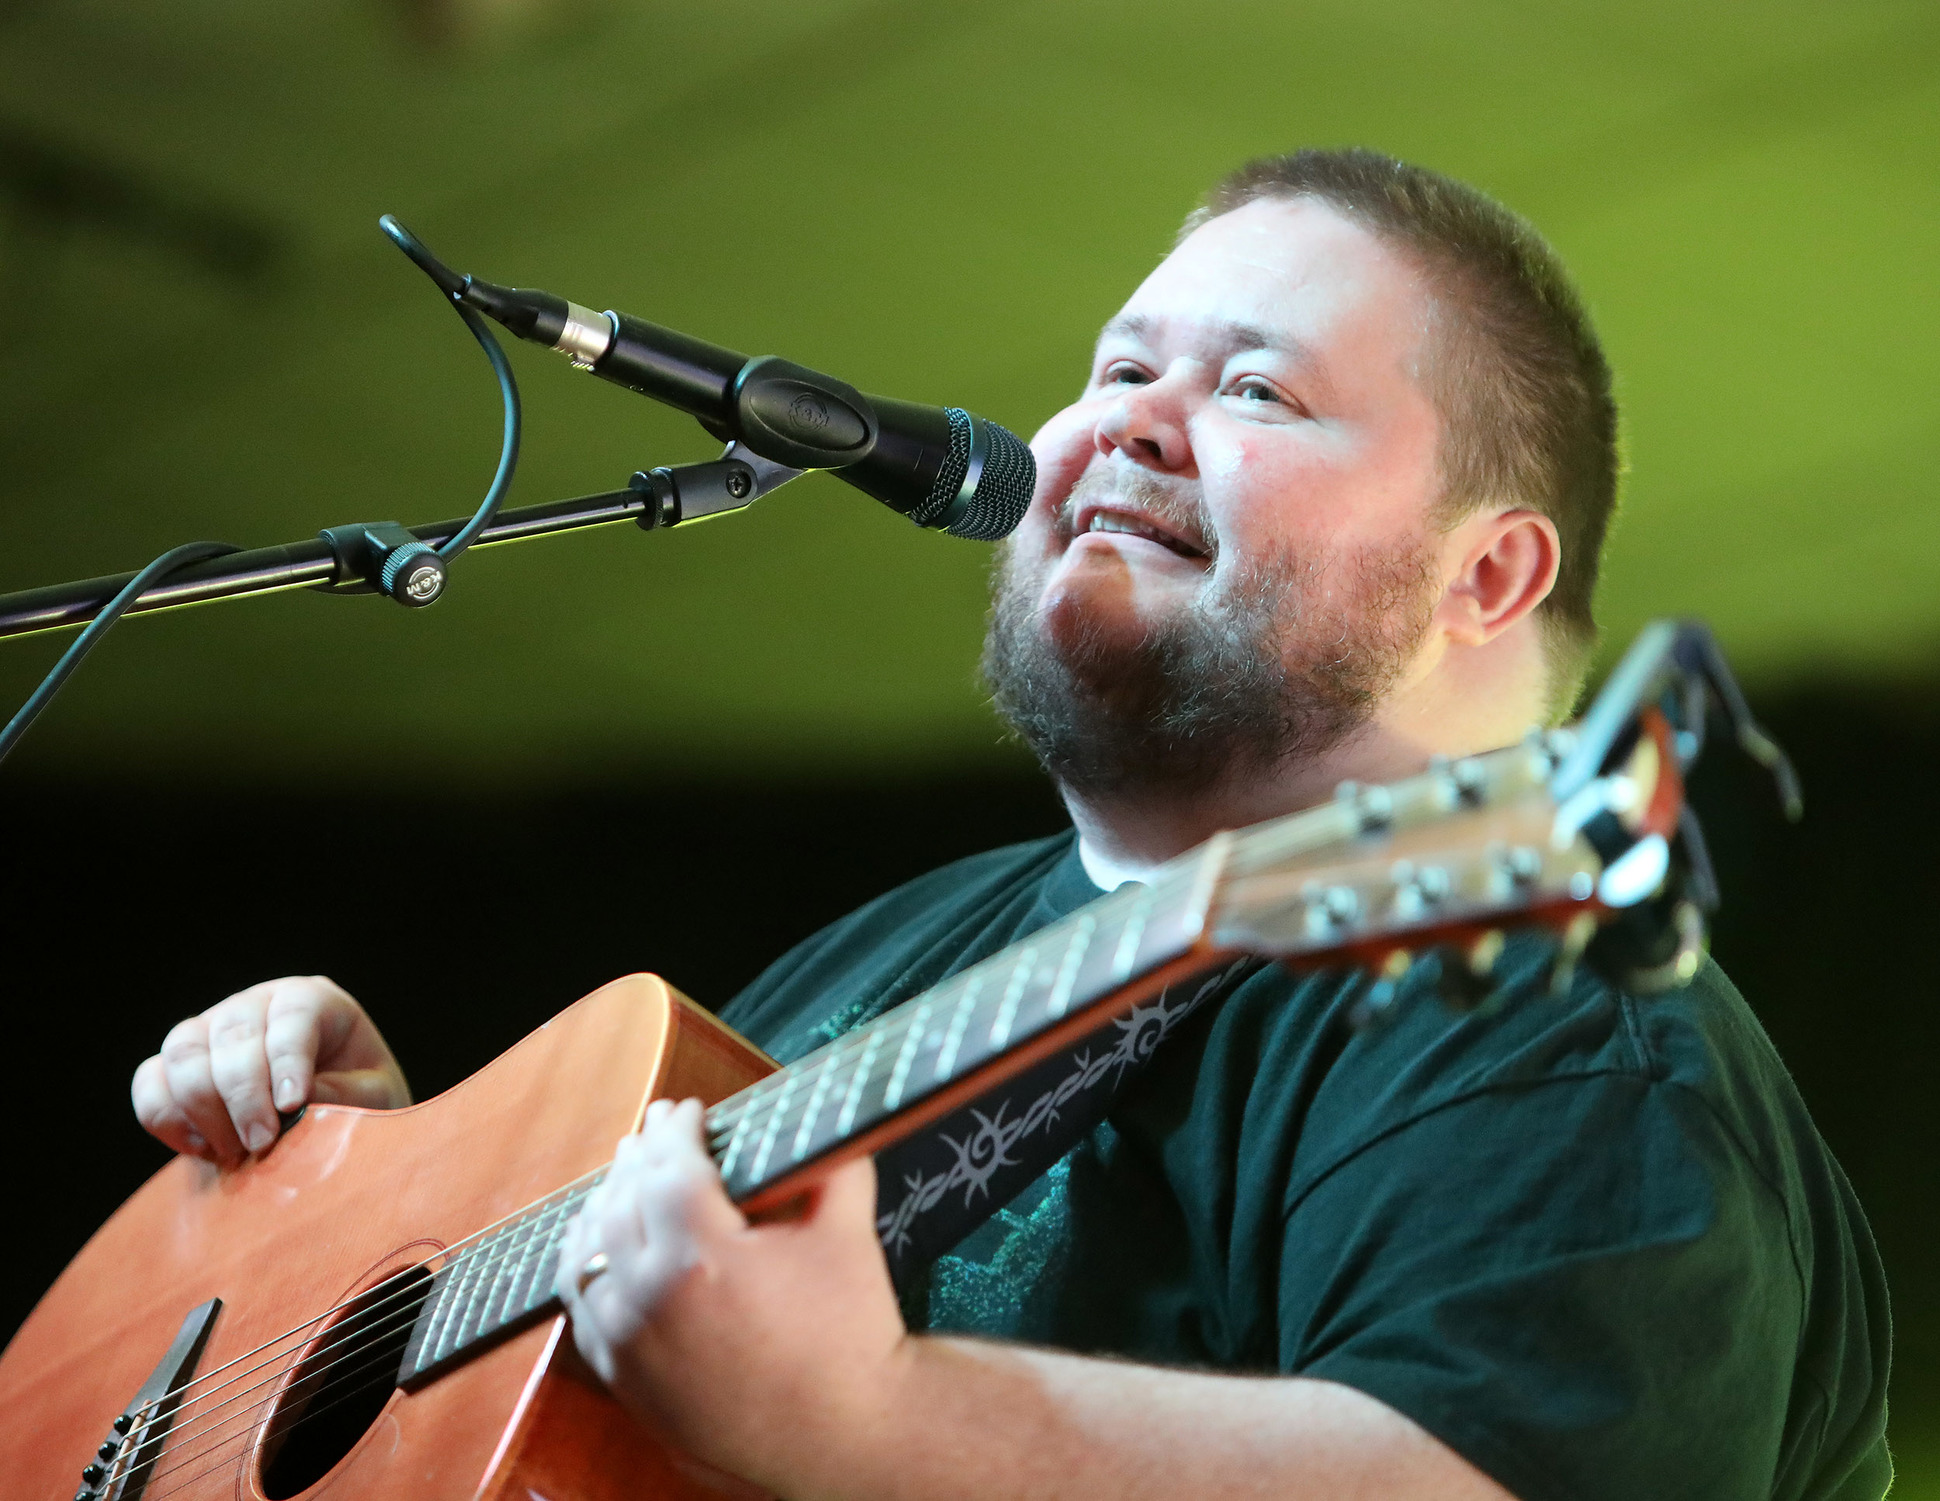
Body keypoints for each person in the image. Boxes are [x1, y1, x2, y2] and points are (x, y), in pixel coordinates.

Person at [129, 149, 1891, 1500]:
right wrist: (373, 1207)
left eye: (1257, 389)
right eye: (1119, 363)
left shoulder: (1544, 1018)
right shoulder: (883, 956)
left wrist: (878, 1419)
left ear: (1485, 573)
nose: (1129, 413)